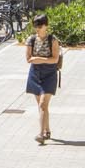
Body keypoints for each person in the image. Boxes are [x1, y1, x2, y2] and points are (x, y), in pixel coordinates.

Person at [24, 14, 63, 145]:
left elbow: (55, 59)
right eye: (36, 26)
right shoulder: (31, 39)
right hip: (35, 74)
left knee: (42, 104)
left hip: (49, 74)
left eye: (40, 26)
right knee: (42, 106)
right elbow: (29, 59)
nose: (38, 29)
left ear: (46, 25)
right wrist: (40, 60)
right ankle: (47, 130)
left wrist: (38, 59)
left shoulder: (53, 40)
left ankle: (41, 134)